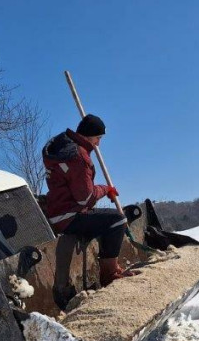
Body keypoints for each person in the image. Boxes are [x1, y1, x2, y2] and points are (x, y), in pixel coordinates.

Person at [42, 114, 139, 286]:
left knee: (107, 218)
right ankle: (109, 274)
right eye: (98, 138)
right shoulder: (78, 156)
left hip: (59, 210)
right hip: (68, 216)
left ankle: (107, 263)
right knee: (118, 220)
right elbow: (85, 198)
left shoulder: (63, 149)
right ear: (88, 135)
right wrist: (105, 189)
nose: (98, 143)